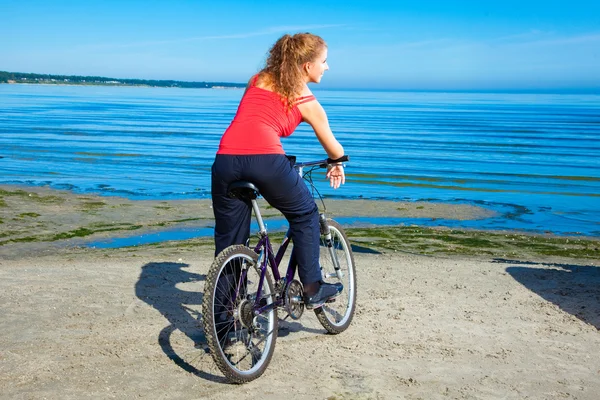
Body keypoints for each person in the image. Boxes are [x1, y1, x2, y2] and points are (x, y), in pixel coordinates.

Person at [211, 32, 346, 309]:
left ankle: (222, 322)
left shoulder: (257, 79)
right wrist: (337, 162)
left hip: (224, 159)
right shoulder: (305, 99)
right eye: (324, 61)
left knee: (230, 243)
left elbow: (252, 120)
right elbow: (333, 147)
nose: (327, 67)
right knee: (306, 213)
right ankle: (312, 287)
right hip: (265, 160)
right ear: (307, 66)